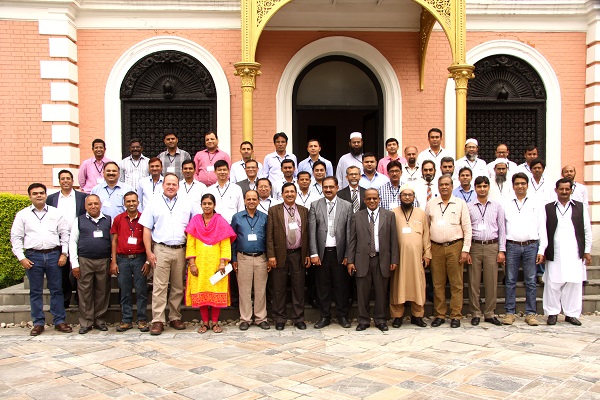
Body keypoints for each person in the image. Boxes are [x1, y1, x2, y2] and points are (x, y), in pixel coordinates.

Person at [10, 183, 72, 336]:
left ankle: (59, 320)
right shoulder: (23, 215)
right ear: (30, 196)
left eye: (41, 193)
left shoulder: (56, 213)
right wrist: (21, 257)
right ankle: (38, 322)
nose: (39, 195)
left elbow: (65, 234)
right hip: (33, 256)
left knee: (57, 289)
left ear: (46, 195)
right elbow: (16, 238)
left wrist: (64, 254)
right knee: (35, 291)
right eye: (35, 193)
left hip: (54, 255)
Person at [140, 173, 194, 335]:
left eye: (174, 184)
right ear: (163, 185)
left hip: (180, 250)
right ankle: (157, 320)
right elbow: (146, 229)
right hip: (161, 249)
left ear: (178, 186)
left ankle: (175, 316)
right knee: (159, 287)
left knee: (178, 286)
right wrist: (149, 252)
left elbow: (193, 227)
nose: (171, 187)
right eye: (168, 184)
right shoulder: (154, 203)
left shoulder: (186, 203)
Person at [347, 189, 399, 331]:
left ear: (379, 199)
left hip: (382, 259)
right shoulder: (357, 216)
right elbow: (352, 240)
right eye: (369, 198)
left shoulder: (389, 216)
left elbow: (393, 239)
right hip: (362, 259)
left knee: (381, 291)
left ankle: (380, 319)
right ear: (364, 200)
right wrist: (350, 261)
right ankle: (363, 320)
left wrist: (394, 259)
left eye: (374, 198)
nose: (372, 201)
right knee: (362, 292)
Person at [185, 193, 236, 333]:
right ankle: (205, 323)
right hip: (199, 264)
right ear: (201, 205)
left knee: (216, 292)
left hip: (217, 264)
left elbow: (225, 244)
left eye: (209, 203)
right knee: (201, 293)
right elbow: (191, 244)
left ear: (214, 205)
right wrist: (192, 263)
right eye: (204, 203)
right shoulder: (195, 221)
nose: (207, 206)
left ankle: (214, 323)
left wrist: (222, 264)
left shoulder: (220, 221)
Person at [426, 174, 472, 328]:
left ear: (452, 186)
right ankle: (439, 314)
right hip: (436, 247)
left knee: (456, 283)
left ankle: (456, 315)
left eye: (447, 184)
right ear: (438, 187)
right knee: (437, 283)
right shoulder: (431, 204)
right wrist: (427, 249)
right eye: (441, 185)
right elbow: (426, 228)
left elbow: (467, 228)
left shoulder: (460, 204)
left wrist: (465, 250)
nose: (444, 187)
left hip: (455, 247)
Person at [544, 178, 592, 326]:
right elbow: (543, 230)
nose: (564, 192)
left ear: (571, 190)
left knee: (574, 282)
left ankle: (571, 314)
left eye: (567, 189)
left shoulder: (580, 207)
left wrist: (587, 251)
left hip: (574, 250)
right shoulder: (548, 207)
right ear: (556, 190)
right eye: (561, 189)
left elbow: (586, 229)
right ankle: (552, 313)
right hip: (555, 250)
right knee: (553, 282)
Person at [502, 172, 547, 326]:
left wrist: (541, 250)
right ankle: (509, 312)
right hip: (512, 245)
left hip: (531, 246)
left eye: (523, 183)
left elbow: (542, 227)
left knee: (531, 281)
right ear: (513, 186)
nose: (520, 186)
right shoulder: (506, 203)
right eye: (517, 184)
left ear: (527, 185)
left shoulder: (536, 203)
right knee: (510, 280)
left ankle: (530, 313)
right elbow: (502, 227)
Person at [309, 176, 353, 329]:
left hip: (340, 253)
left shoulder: (347, 206)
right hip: (322, 253)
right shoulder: (315, 205)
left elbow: (350, 232)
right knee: (323, 286)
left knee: (341, 286)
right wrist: (314, 253)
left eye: (331, 187)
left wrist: (348, 254)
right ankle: (324, 316)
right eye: (325, 187)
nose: (328, 189)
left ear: (337, 187)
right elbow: (312, 231)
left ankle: (342, 316)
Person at [266, 182, 310, 330]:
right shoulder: (274, 210)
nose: (290, 194)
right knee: (279, 287)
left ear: (296, 194)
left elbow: (308, 234)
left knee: (298, 286)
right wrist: (271, 255)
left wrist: (308, 254)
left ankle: (299, 318)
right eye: (287, 192)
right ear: (282, 194)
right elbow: (269, 235)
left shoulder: (304, 210)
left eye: (292, 191)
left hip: (298, 253)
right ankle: (279, 318)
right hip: (280, 254)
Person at [69, 194, 112, 334]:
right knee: (84, 292)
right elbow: (72, 242)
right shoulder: (79, 221)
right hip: (84, 260)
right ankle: (86, 322)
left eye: (96, 203)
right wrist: (74, 264)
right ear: (85, 206)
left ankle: (100, 320)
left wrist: (112, 260)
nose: (93, 206)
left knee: (102, 291)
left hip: (103, 260)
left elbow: (113, 242)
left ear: (100, 205)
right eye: (90, 204)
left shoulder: (108, 220)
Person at [390, 184, 431, 328]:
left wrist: (427, 253)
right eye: (404, 195)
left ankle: (417, 315)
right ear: (400, 197)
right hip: (399, 258)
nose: (407, 197)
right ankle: (397, 316)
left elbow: (426, 234)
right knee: (398, 286)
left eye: (410, 195)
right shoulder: (393, 213)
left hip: (416, 259)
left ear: (414, 197)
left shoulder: (421, 213)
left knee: (418, 285)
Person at [467, 176, 506, 326]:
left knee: (491, 282)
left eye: (485, 186)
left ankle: (490, 313)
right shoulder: (469, 206)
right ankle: (475, 313)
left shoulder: (497, 206)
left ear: (489, 187)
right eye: (479, 186)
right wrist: (467, 250)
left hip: (492, 246)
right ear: (475, 188)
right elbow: (467, 230)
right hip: (475, 247)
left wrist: (502, 250)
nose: (482, 189)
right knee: (473, 282)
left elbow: (502, 229)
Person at [110, 191, 150, 333]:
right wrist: (113, 261)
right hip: (123, 260)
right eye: (128, 201)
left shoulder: (144, 218)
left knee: (141, 291)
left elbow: (148, 241)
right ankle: (126, 320)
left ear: (138, 202)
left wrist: (148, 261)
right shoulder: (118, 219)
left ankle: (141, 319)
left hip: (139, 259)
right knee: (125, 291)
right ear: (124, 203)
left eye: (134, 201)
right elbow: (114, 241)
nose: (131, 204)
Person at [47, 169, 87, 308]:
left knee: (79, 267)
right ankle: (65, 298)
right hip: (59, 238)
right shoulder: (51, 198)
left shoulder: (82, 197)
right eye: (62, 178)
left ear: (72, 180)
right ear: (59, 181)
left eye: (68, 178)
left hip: (79, 237)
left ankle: (79, 296)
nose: (65, 181)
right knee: (63, 270)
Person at [231, 190, 270, 330]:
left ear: (258, 201)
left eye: (254, 199)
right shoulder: (237, 217)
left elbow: (268, 239)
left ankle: (261, 318)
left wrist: (269, 258)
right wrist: (234, 258)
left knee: (260, 290)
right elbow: (233, 240)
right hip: (243, 257)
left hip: (261, 258)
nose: (252, 201)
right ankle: (245, 319)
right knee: (244, 290)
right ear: (245, 201)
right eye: (249, 199)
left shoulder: (265, 217)